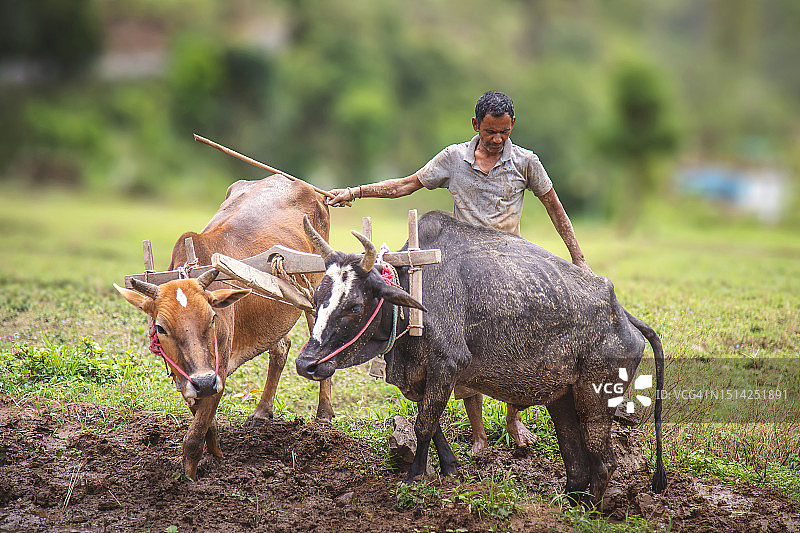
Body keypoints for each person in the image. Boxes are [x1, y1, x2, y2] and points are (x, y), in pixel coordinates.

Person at [328, 90, 592, 452]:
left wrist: (578, 260)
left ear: (512, 126)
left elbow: (555, 207)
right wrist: (355, 191)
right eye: (489, 132)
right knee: (466, 344)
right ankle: (478, 433)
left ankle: (514, 419)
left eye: (504, 132)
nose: (497, 139)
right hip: (464, 269)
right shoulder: (454, 158)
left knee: (516, 343)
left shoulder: (527, 163)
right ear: (475, 126)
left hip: (509, 268)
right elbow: (406, 184)